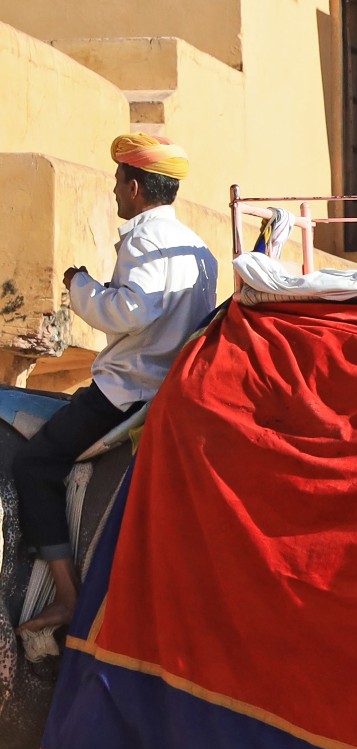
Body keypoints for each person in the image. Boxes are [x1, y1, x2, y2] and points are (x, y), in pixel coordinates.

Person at [16, 134, 218, 631]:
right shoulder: (199, 248)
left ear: (133, 186)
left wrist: (79, 286)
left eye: (115, 183)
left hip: (125, 391)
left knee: (35, 463)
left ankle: (65, 595)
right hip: (166, 388)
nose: (112, 193)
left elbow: (131, 309)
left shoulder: (144, 237)